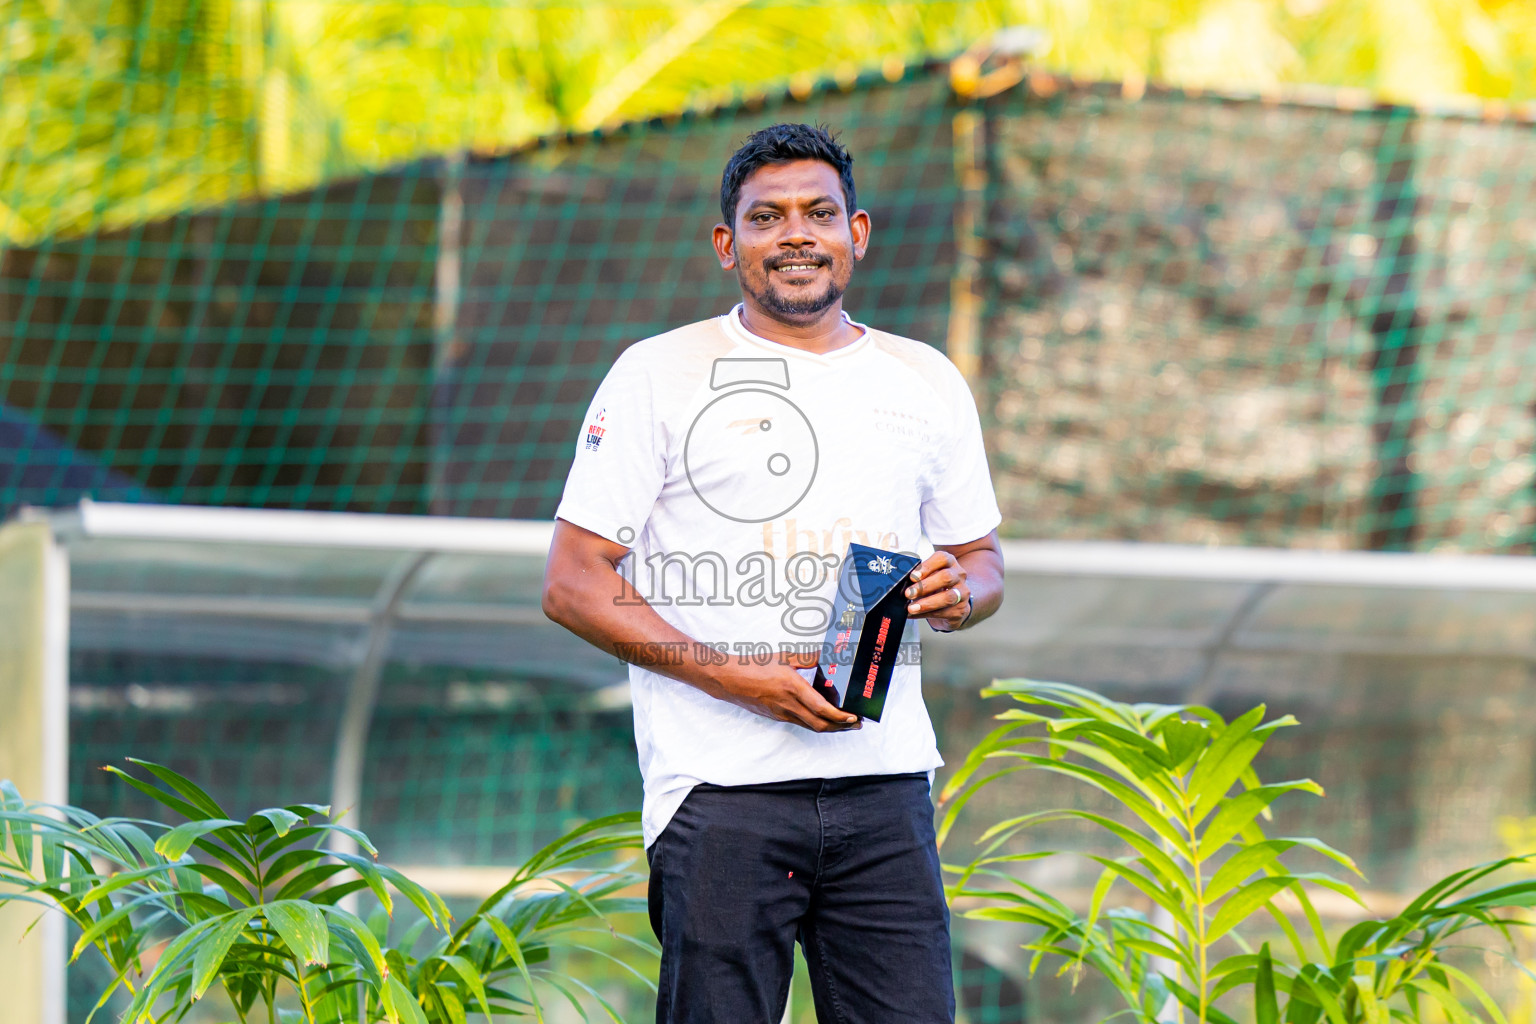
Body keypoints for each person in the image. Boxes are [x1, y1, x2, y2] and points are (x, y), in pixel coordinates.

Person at [542, 122, 1003, 1024]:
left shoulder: (927, 379)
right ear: (729, 245)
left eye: (819, 213)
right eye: (767, 217)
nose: (797, 234)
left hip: (886, 784)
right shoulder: (659, 373)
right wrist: (737, 680)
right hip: (721, 792)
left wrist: (960, 594)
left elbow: (982, 561)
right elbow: (574, 581)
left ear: (856, 233)